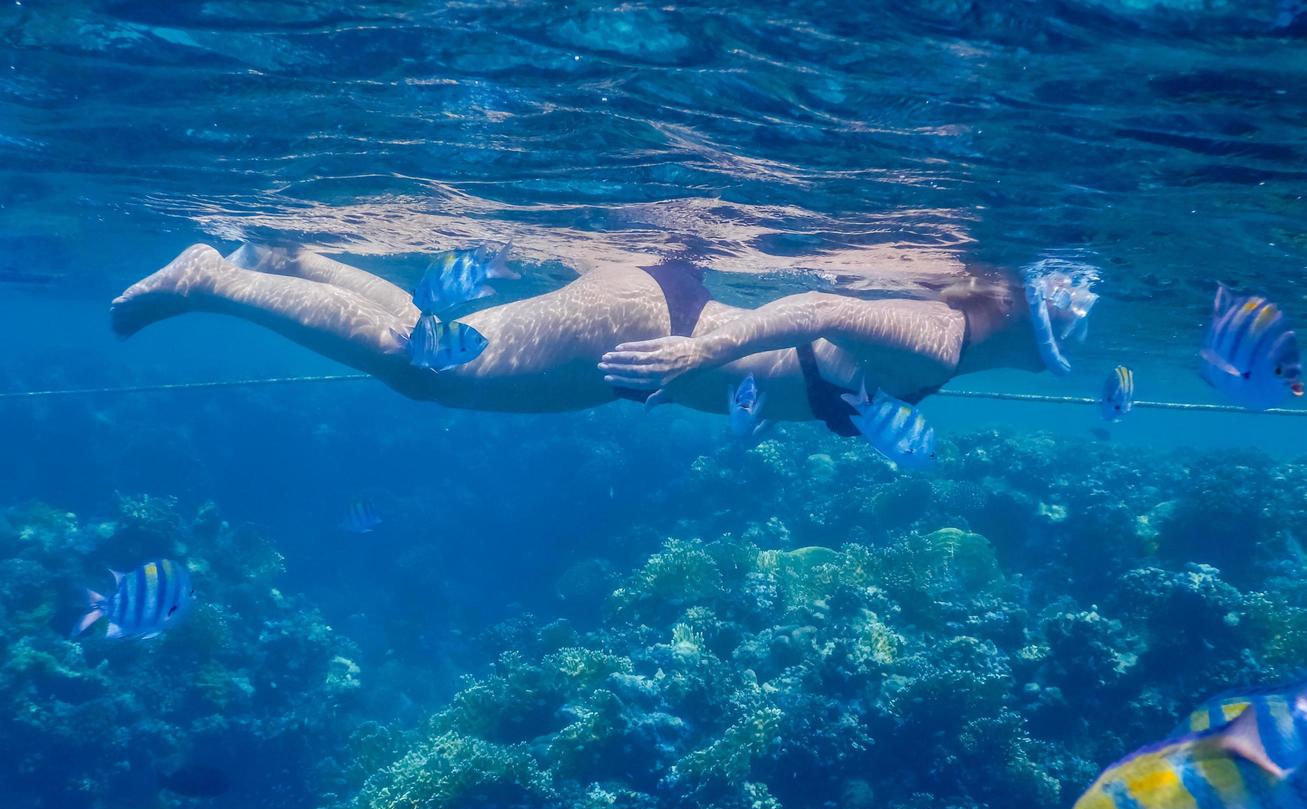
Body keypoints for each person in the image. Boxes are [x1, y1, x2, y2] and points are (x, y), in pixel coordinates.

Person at [110, 242, 1094, 433]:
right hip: (653, 331)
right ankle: (213, 281)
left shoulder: (940, 333)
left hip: (654, 331)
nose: (1046, 357)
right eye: (1051, 338)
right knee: (430, 369)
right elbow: (815, 312)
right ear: (1017, 318)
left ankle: (296, 264)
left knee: (430, 350)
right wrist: (695, 355)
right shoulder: (935, 340)